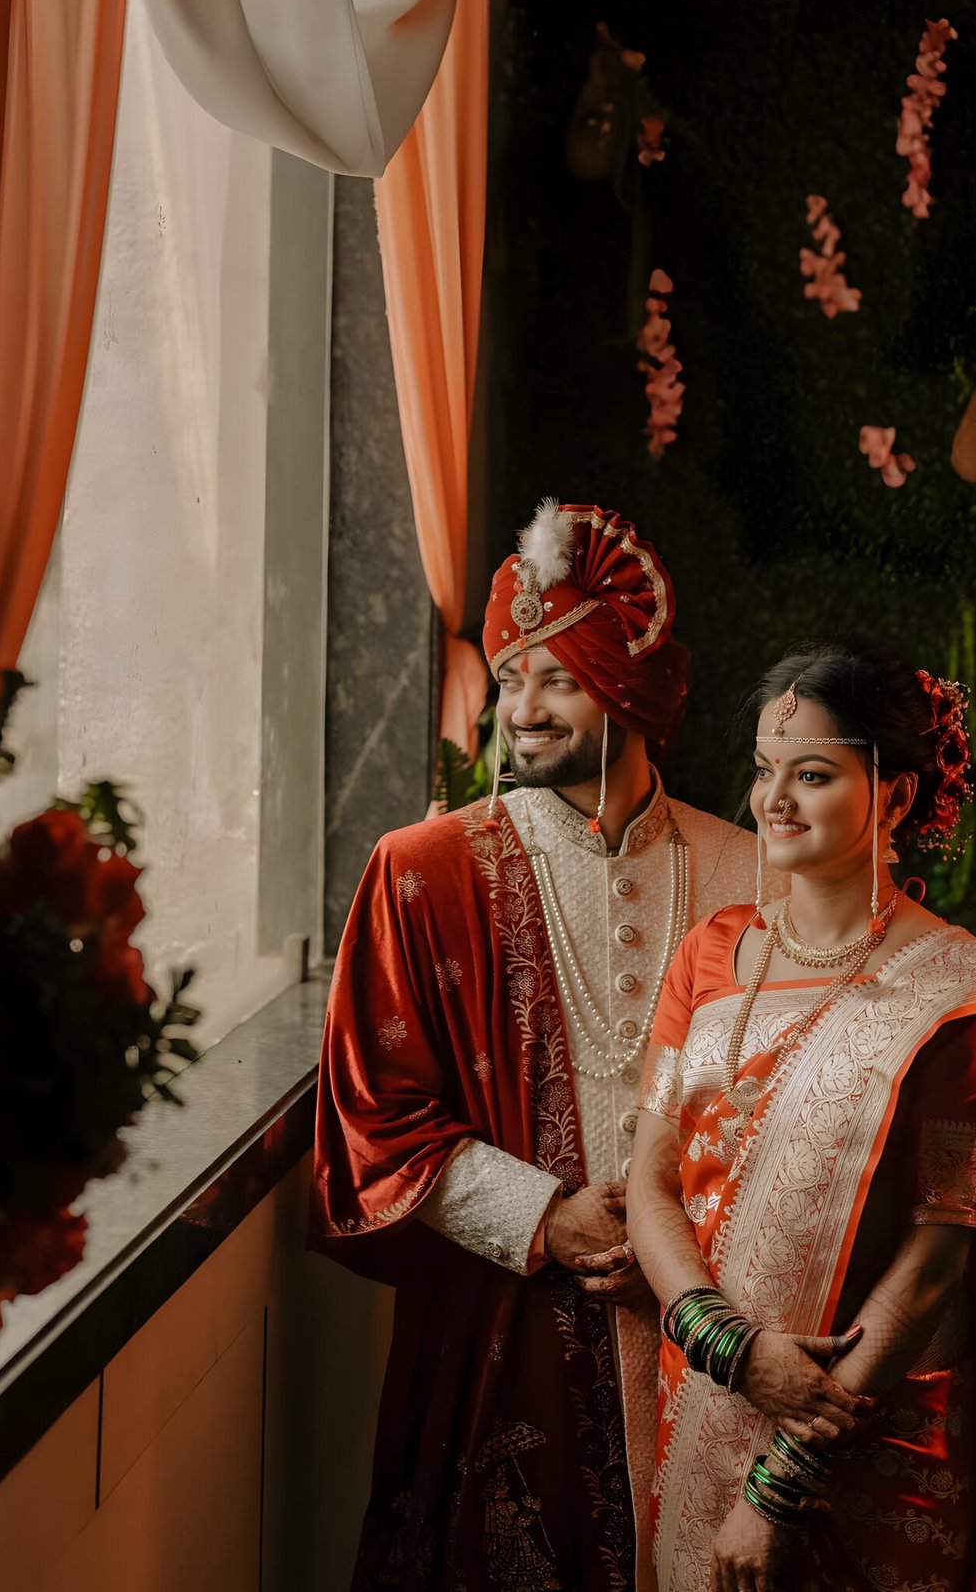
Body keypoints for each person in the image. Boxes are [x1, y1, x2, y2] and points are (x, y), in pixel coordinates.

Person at [311, 500, 757, 1591]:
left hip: (719, 1329)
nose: (520, 709)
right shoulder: (421, 873)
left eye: (555, 678)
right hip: (502, 1338)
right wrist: (546, 1218)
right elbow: (371, 1122)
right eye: (510, 678)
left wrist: (682, 1237)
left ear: (627, 686)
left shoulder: (750, 873)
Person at [608, 640, 976, 1592]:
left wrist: (781, 1481)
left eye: (811, 774)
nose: (774, 799)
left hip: (868, 1438)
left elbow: (935, 1259)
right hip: (709, 1400)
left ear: (894, 796)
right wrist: (731, 1348)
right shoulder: (708, 953)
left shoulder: (960, 1002)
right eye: (764, 769)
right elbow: (652, 1177)